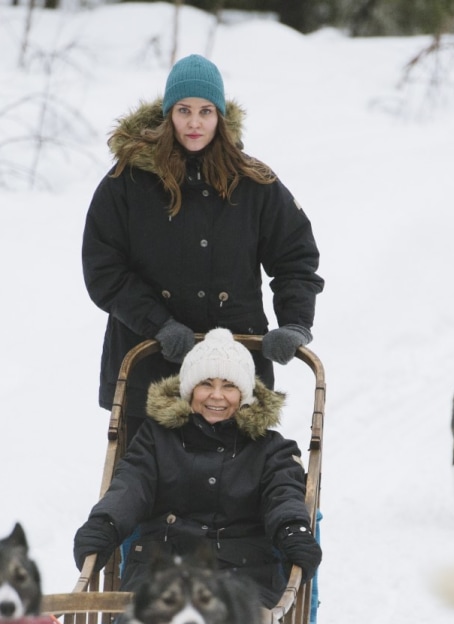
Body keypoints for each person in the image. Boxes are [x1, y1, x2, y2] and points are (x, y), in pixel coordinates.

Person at [82, 54, 324, 436]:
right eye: (183, 110)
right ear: (168, 114)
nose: (194, 122)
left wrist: (294, 324)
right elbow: (103, 269)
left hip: (234, 372)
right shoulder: (126, 183)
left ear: (220, 116)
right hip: (150, 366)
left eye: (206, 111)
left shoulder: (255, 182)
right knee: (145, 482)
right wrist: (157, 323)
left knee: (240, 485)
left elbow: (295, 257)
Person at [73, 329, 323, 608]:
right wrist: (105, 522)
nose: (216, 396)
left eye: (229, 385)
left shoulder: (271, 449)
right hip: (161, 570)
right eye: (206, 383)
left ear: (245, 395)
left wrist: (292, 529)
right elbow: (132, 484)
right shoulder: (156, 437)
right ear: (189, 389)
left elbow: (284, 494)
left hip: (244, 576)